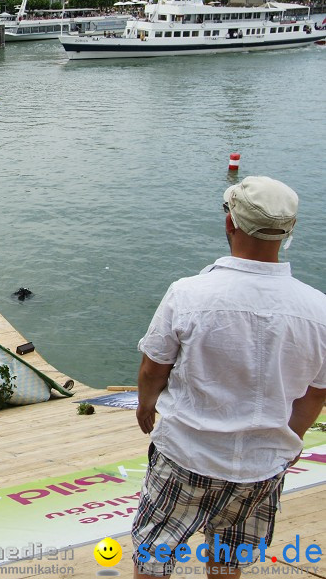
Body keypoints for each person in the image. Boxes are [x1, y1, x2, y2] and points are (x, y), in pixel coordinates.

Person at [132, 176, 326, 579]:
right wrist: (285, 439)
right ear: (289, 231)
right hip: (262, 466)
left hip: (188, 452)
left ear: (229, 224)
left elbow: (154, 367)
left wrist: (146, 405)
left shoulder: (189, 293)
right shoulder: (318, 309)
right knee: (227, 558)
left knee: (154, 554)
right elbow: (315, 395)